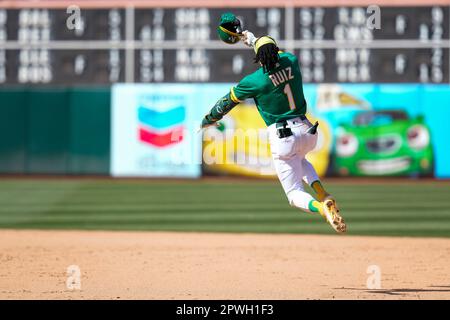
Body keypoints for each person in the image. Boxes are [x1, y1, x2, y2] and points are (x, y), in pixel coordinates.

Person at [200, 31, 347, 233]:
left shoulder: (255, 81)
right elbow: (278, 53)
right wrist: (253, 40)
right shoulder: (291, 61)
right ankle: (323, 194)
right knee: (302, 160)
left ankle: (322, 208)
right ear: (276, 51)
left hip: (283, 136)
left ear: (258, 58)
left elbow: (227, 102)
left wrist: (208, 120)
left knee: (294, 194)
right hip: (307, 130)